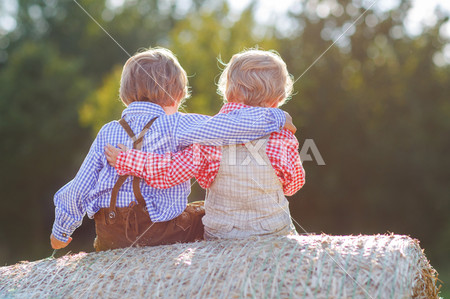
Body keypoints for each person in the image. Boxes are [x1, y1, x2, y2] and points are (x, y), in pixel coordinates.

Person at [50, 47, 295, 251]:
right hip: (158, 230)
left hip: (109, 234)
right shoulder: (177, 123)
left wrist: (62, 229)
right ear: (177, 95)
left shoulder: (107, 132)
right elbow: (228, 126)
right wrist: (277, 118)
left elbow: (80, 185)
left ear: (124, 95)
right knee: (202, 214)